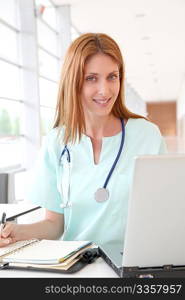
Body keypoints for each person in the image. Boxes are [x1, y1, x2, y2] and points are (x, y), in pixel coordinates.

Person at [0, 32, 167, 248]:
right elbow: (55, 224)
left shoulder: (147, 136)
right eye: (91, 78)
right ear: (74, 82)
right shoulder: (56, 141)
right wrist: (17, 231)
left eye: (112, 76)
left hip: (131, 264)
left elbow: (163, 214)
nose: (104, 90)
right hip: (77, 265)